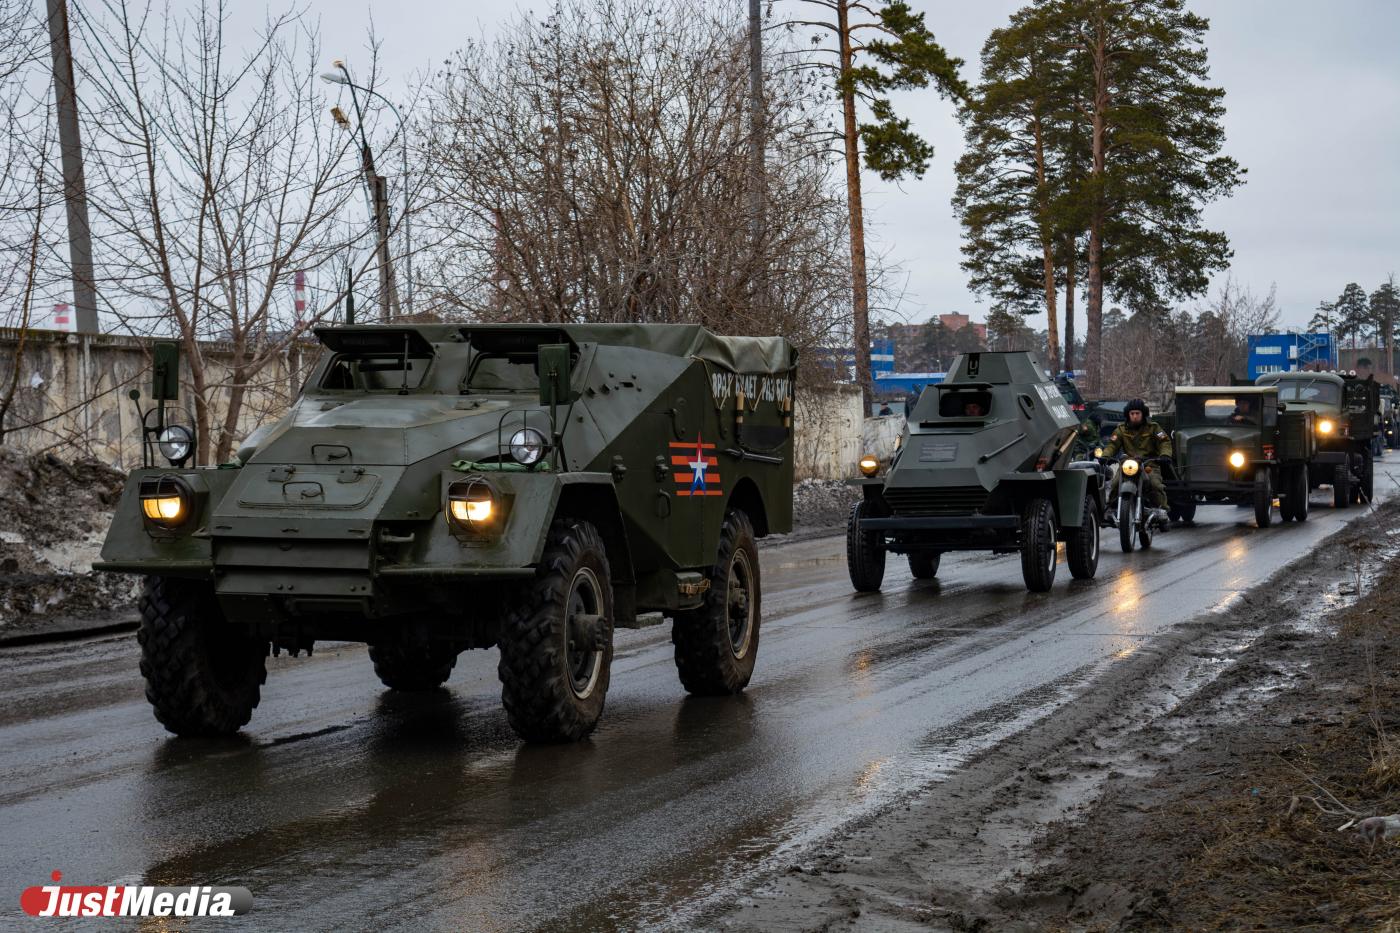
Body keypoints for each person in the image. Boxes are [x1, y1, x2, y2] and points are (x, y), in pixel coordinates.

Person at [1102, 398, 1173, 518]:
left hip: (1149, 464)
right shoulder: (1121, 429)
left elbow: (1164, 442)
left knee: (1155, 484)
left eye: (1137, 413)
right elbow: (1112, 445)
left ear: (1143, 414)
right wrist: (1105, 456)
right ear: (1128, 415)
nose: (1135, 416)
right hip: (1128, 464)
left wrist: (1165, 455)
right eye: (1132, 414)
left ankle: (1162, 510)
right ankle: (1112, 508)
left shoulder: (1153, 427)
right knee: (1114, 484)